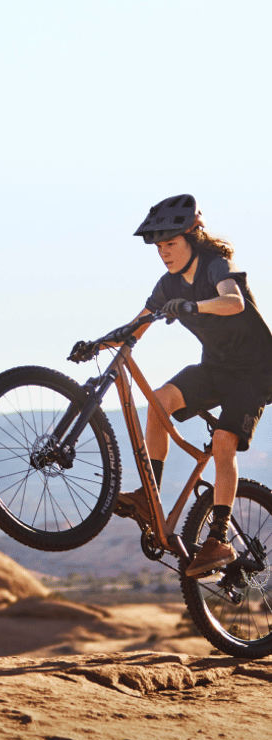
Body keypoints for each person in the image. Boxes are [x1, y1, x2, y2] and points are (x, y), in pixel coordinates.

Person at [114, 194, 272, 577]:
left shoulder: (216, 266)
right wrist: (101, 343)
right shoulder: (168, 285)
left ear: (192, 236)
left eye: (171, 243)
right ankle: (150, 500)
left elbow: (233, 302)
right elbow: (136, 325)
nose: (164, 252)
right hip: (216, 368)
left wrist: (193, 306)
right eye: (159, 246)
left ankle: (218, 540)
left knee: (222, 442)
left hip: (255, 372)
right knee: (158, 402)